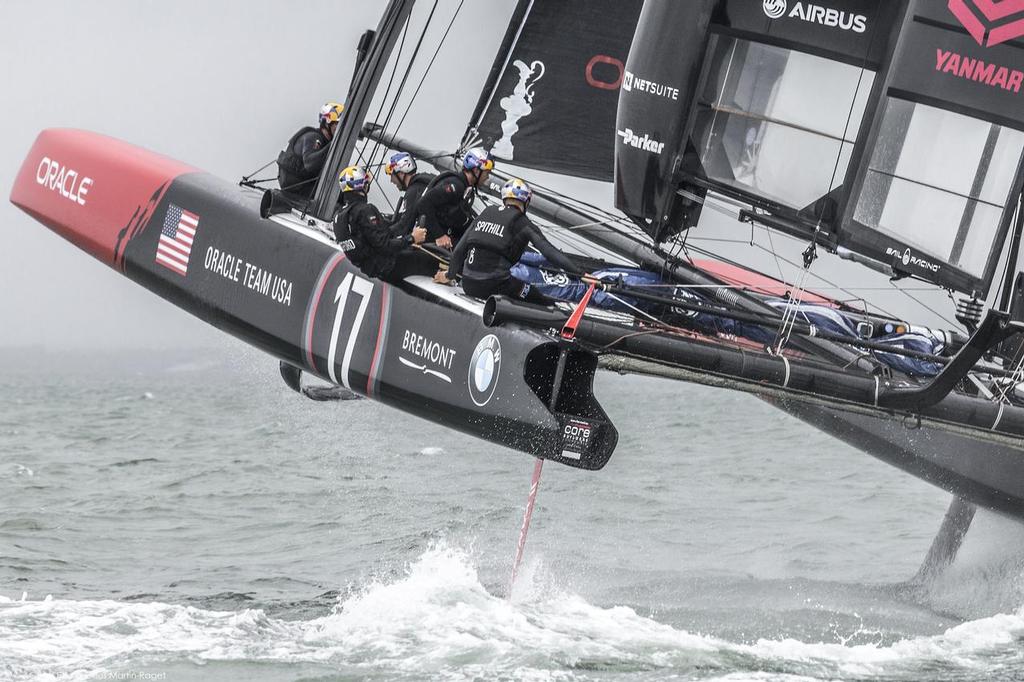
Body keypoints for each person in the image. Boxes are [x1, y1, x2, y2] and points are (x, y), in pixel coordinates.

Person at [434, 178, 577, 305]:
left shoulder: (486, 212)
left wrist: (449, 275)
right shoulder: (522, 222)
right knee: (540, 299)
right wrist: (578, 274)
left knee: (515, 283)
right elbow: (548, 251)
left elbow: (459, 251)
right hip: (496, 286)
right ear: (526, 201)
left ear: (504, 199)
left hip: (468, 284)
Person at [332, 166, 437, 284]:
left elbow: (370, 236)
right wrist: (412, 238)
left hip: (368, 268)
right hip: (386, 267)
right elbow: (384, 246)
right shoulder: (365, 211)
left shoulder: (339, 216)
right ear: (362, 186)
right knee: (431, 261)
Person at [414, 147, 494, 249]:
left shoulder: (466, 189)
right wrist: (439, 235)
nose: (487, 177)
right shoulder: (455, 185)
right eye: (487, 173)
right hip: (428, 243)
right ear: (476, 171)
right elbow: (424, 203)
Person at [277, 102, 344, 201]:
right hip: (297, 188)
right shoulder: (313, 137)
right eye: (337, 124)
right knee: (339, 197)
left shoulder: (323, 141)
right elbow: (310, 164)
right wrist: (334, 144)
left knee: (342, 193)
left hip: (304, 187)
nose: (339, 128)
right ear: (327, 123)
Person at [384, 152, 436, 236]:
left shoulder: (414, 191)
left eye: (392, 175)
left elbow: (404, 227)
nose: (391, 181)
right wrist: (388, 218)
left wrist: (382, 235)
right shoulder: (423, 185)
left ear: (401, 173)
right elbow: (410, 214)